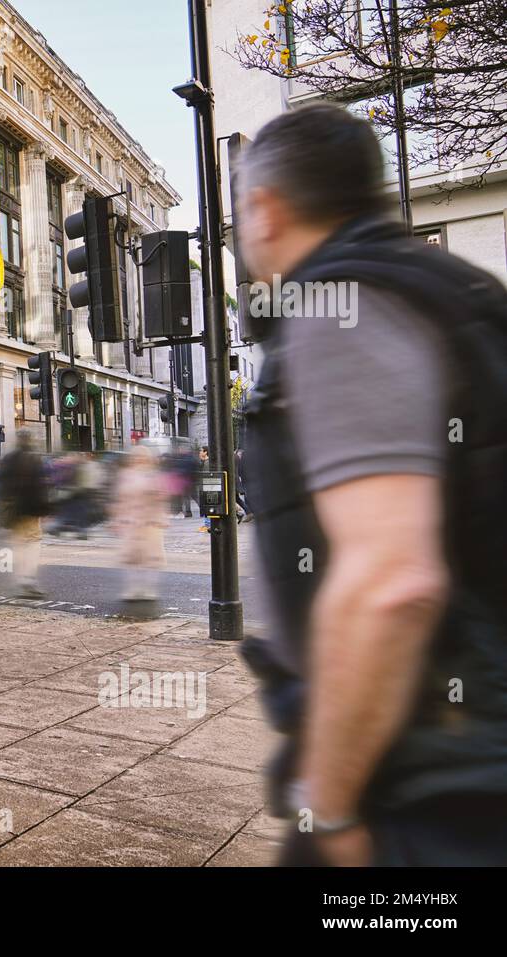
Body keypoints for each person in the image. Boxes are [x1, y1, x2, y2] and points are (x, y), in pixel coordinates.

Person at [236, 102, 507, 865]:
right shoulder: (458, 292)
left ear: (265, 209)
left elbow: (392, 582)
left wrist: (332, 804)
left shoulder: (339, 304)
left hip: (433, 784)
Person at [0, 430, 51, 598]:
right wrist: (45, 509)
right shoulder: (35, 459)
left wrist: (1, 505)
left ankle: (21, 578)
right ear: (30, 439)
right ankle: (28, 578)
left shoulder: (8, 458)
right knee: (33, 542)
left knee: (19, 543)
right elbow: (41, 486)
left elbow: (1, 484)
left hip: (13, 509)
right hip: (31, 509)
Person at [111, 445, 168, 607]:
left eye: (143, 457)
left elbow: (161, 498)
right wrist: (117, 518)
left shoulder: (154, 476)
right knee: (131, 557)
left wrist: (161, 518)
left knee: (151, 557)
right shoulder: (126, 475)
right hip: (131, 521)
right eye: (136, 457)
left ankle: (149, 589)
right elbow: (120, 498)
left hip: (150, 522)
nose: (139, 459)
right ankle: (133, 589)